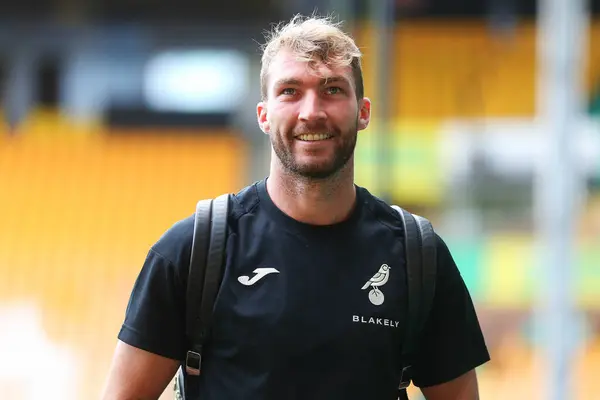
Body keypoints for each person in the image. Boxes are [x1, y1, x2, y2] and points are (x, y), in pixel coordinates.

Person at [101, 14, 490, 400]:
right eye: (290, 91)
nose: (311, 112)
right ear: (264, 115)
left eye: (333, 89)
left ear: (364, 111)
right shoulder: (192, 251)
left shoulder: (417, 255)